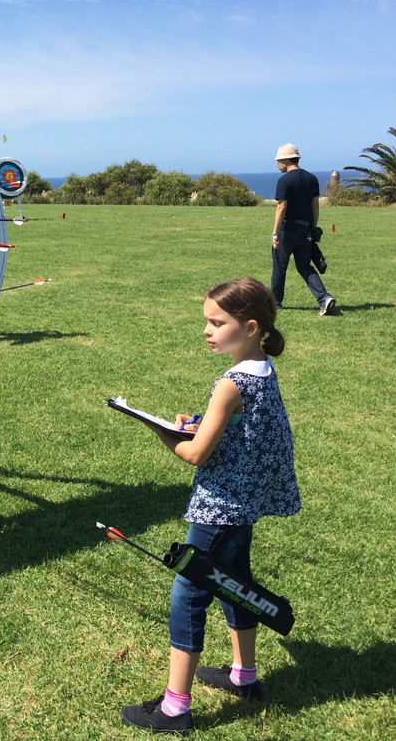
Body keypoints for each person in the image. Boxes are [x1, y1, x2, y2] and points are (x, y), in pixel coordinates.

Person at [120, 278, 300, 736]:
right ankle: (244, 675)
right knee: (235, 583)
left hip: (219, 508)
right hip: (244, 506)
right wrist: (198, 424)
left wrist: (161, 431)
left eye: (217, 323)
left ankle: (175, 708)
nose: (207, 330)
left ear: (251, 326)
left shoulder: (230, 383)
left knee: (190, 592)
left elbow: (197, 454)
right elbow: (238, 428)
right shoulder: (261, 369)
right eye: (206, 321)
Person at [270, 144, 336, 315]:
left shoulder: (284, 181)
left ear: (286, 159)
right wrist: (313, 227)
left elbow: (281, 207)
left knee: (279, 267)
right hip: (305, 230)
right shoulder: (312, 179)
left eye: (278, 161)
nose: (277, 164)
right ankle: (324, 298)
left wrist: (275, 232)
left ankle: (275, 304)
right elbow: (315, 206)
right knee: (305, 266)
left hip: (288, 229)